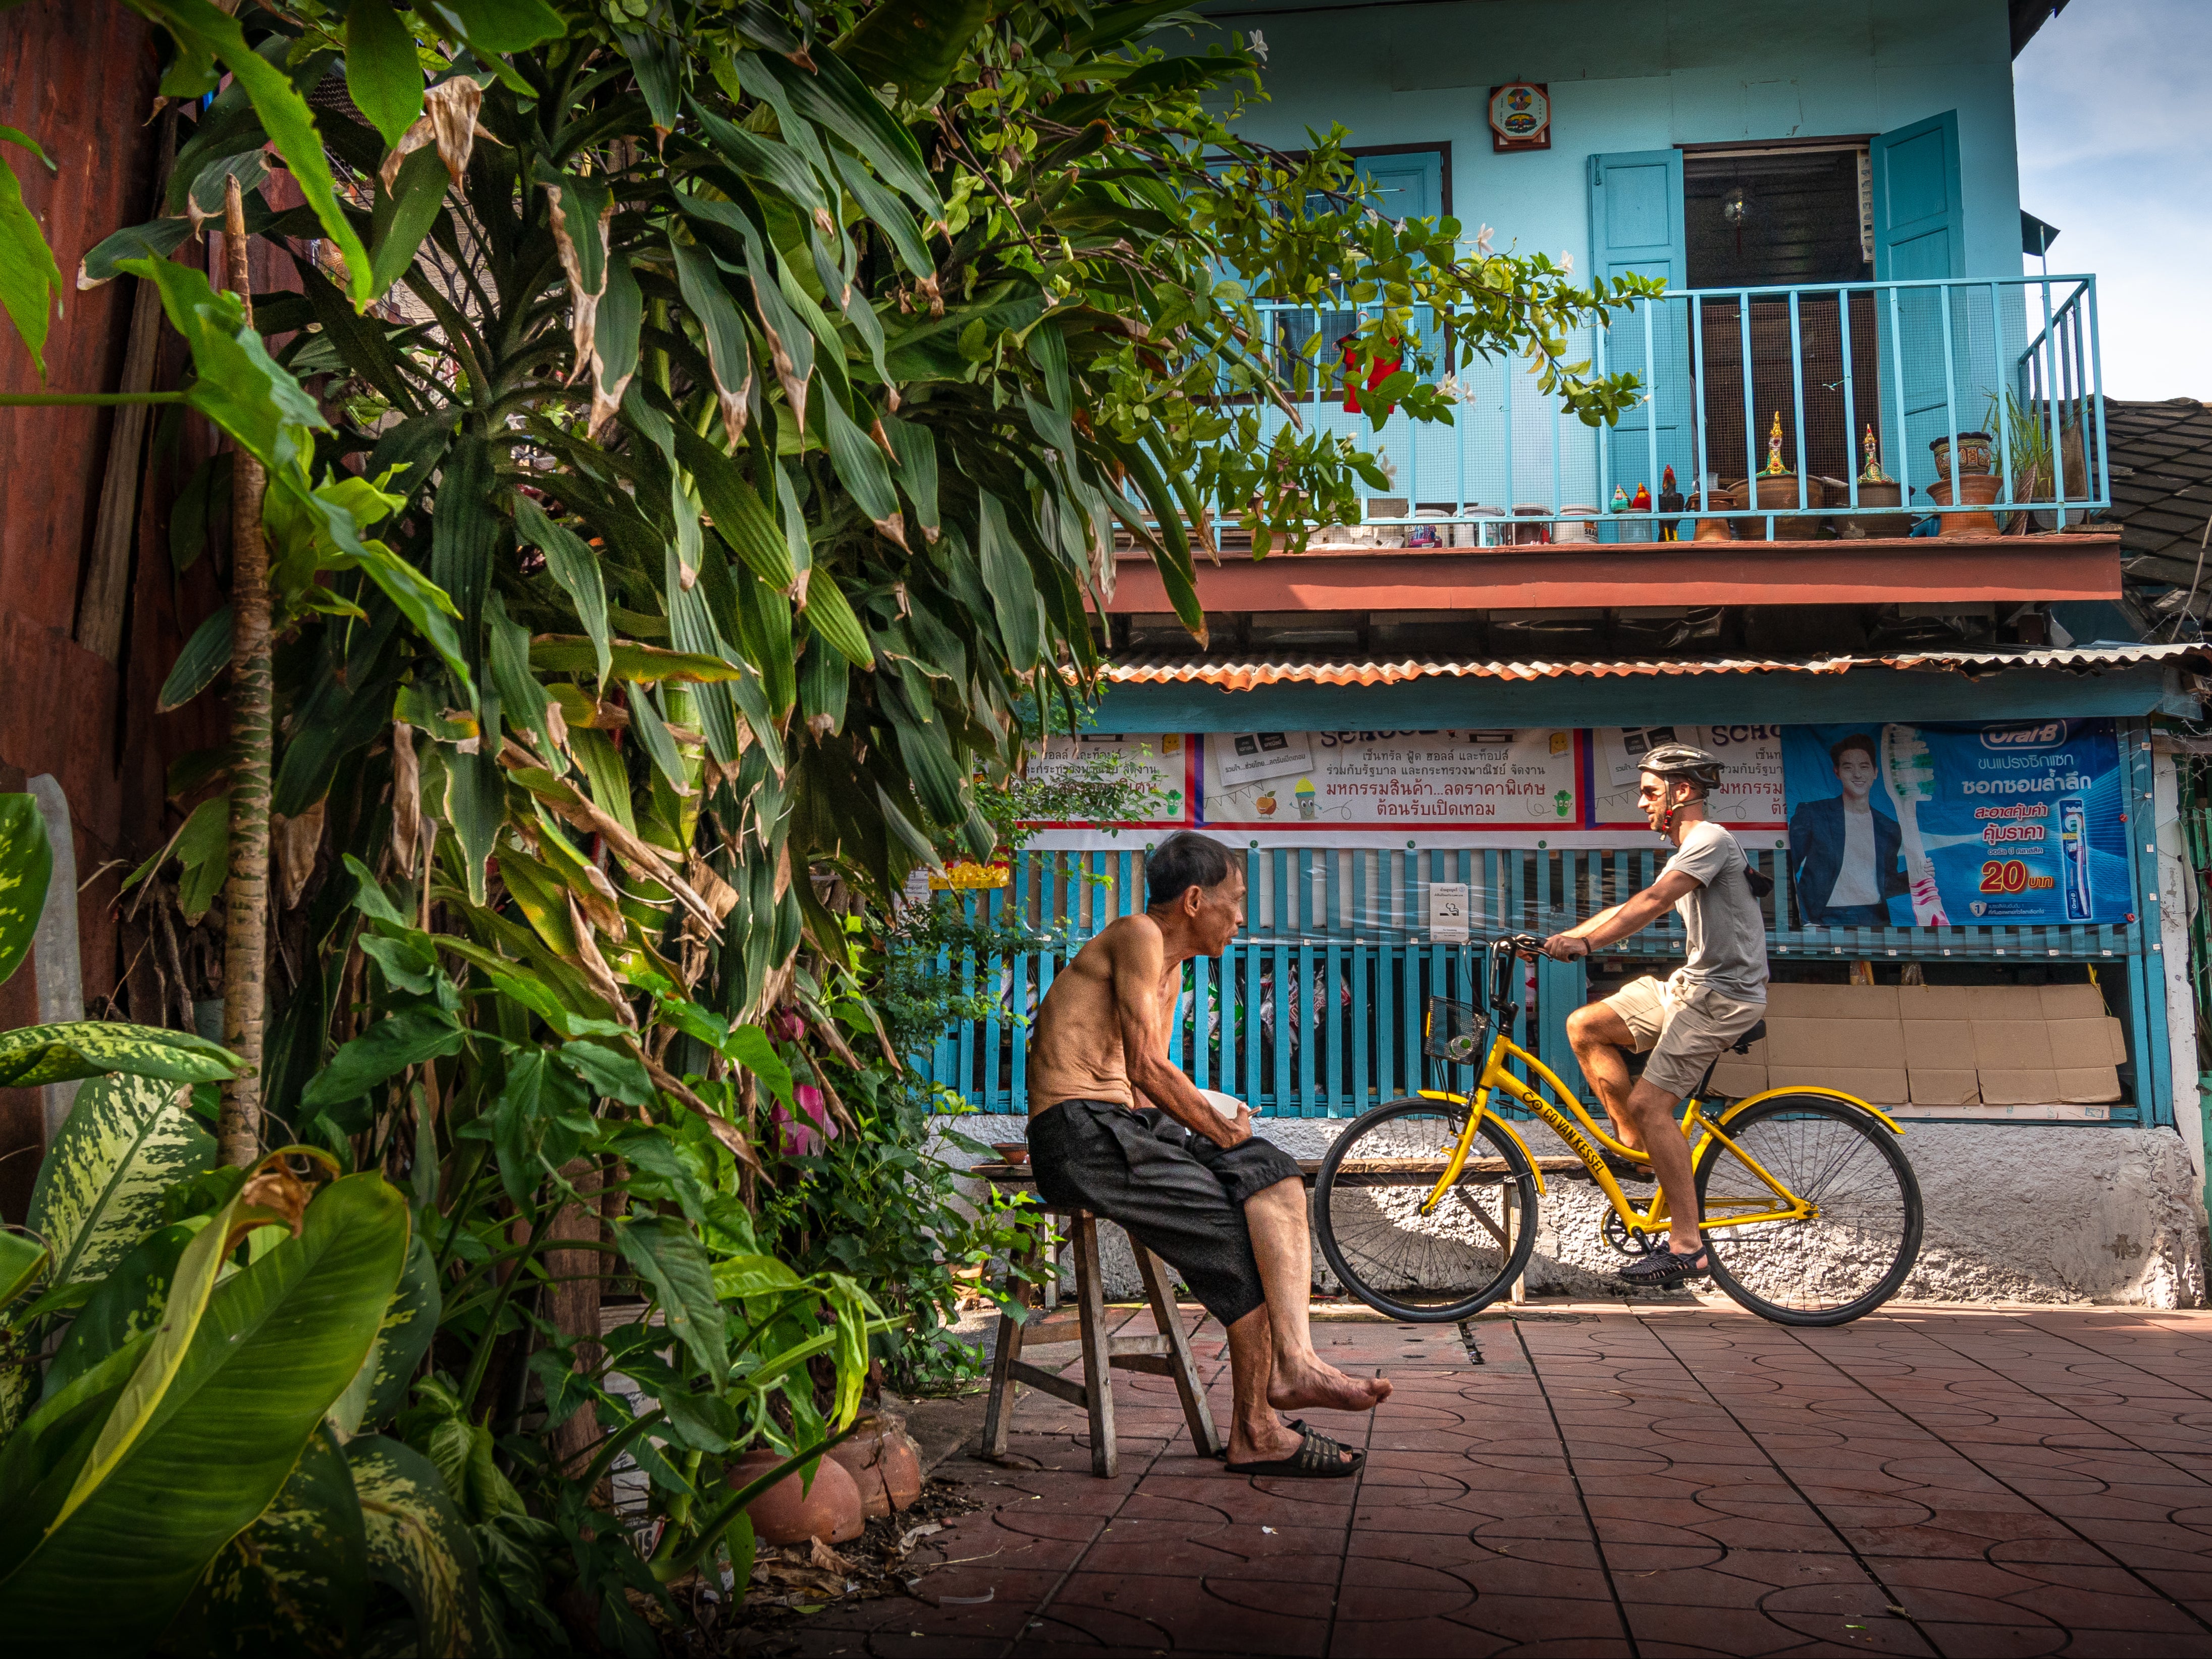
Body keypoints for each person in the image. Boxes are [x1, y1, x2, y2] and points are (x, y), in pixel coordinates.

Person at [1024, 831, 1391, 1477]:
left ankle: (1296, 1363)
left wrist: (1225, 1119)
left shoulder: (1169, 970)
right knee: (1233, 1222)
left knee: (1271, 1173)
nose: (1242, 917)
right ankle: (1255, 1429)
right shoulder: (1137, 932)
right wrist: (1221, 1132)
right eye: (1237, 900)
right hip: (1077, 1134)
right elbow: (1145, 1065)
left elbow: (1145, 1084)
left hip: (1122, 1122)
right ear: (1195, 900)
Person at [1528, 745, 1769, 1288]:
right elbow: (1632, 903)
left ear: (1681, 791)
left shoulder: (1708, 838)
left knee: (1649, 1102)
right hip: (1691, 988)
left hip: (1723, 997)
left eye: (1649, 792)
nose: (1641, 803)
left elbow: (1654, 902)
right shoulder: (1687, 849)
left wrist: (1586, 944)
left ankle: (1687, 1247)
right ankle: (1635, 1150)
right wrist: (1561, 941)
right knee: (1585, 1025)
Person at [1788, 733, 1908, 926]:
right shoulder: (1813, 814)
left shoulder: (1889, 827)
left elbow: (1885, 883)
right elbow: (1788, 869)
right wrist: (1803, 919)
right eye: (1848, 767)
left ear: (1875, 772)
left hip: (1874, 917)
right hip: (1822, 917)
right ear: (1837, 772)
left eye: (1864, 767)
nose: (1857, 774)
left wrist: (1916, 877)